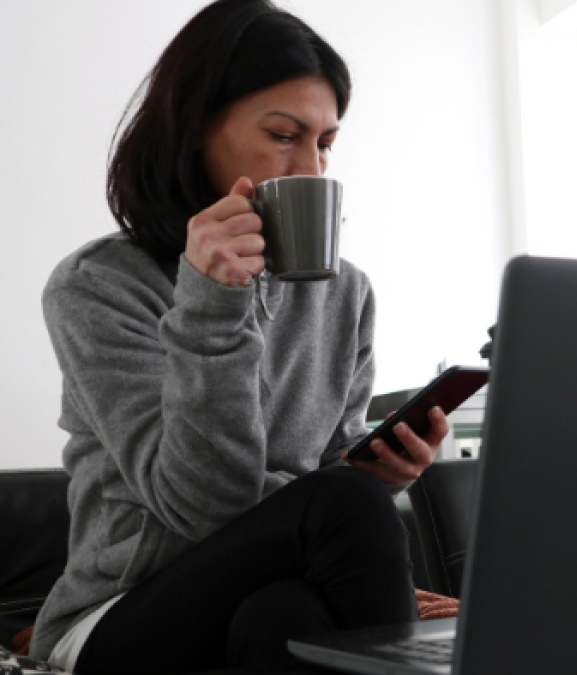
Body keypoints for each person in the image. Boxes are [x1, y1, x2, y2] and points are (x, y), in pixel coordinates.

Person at [30, 1, 445, 672]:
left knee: (287, 617)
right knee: (344, 508)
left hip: (270, 587)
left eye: (327, 142)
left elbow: (325, 480)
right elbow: (203, 506)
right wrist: (211, 301)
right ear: (195, 126)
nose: (313, 169)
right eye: (285, 134)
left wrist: (377, 469)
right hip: (118, 613)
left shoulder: (347, 291)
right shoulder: (97, 285)